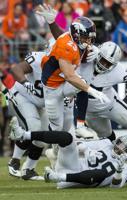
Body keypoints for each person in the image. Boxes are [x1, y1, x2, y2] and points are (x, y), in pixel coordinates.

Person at [36, 5, 109, 134]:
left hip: (63, 83)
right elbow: (70, 76)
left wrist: (96, 50)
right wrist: (91, 90)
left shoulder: (76, 41)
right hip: (52, 89)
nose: (88, 41)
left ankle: (80, 126)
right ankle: (30, 137)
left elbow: (82, 53)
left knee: (81, 84)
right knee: (56, 129)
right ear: (76, 34)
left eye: (90, 38)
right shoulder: (67, 45)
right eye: (86, 37)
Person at [9, 116, 127, 189]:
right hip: (72, 164)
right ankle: (23, 135)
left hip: (75, 180)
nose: (120, 149)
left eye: (125, 149)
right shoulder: (106, 143)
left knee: (102, 173)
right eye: (120, 144)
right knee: (67, 138)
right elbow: (80, 145)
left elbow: (115, 187)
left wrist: (119, 171)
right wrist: (87, 150)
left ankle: (56, 176)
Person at [7, 43, 74, 180]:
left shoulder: (67, 66)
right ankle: (15, 160)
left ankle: (29, 169)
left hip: (41, 103)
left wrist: (68, 97)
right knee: (34, 127)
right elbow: (16, 69)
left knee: (43, 136)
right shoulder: (37, 59)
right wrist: (26, 83)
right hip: (23, 95)